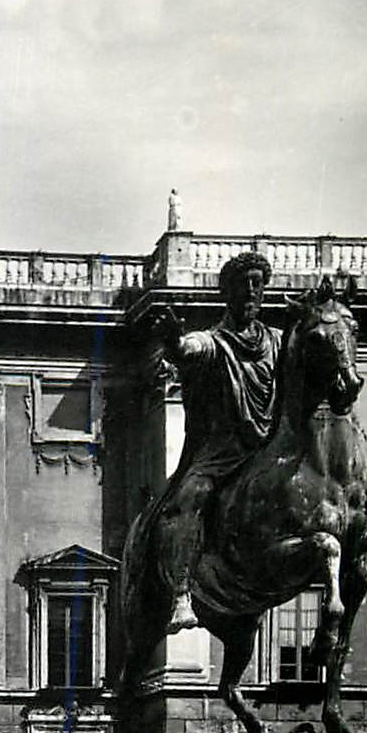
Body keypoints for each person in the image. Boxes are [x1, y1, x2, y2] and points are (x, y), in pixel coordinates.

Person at [150, 251, 282, 634]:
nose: (252, 291)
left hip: (268, 453)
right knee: (186, 499)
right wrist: (174, 341)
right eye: (244, 284)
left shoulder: (277, 342)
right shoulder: (213, 342)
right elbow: (187, 350)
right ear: (228, 293)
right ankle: (180, 595)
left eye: (258, 283)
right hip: (221, 456)